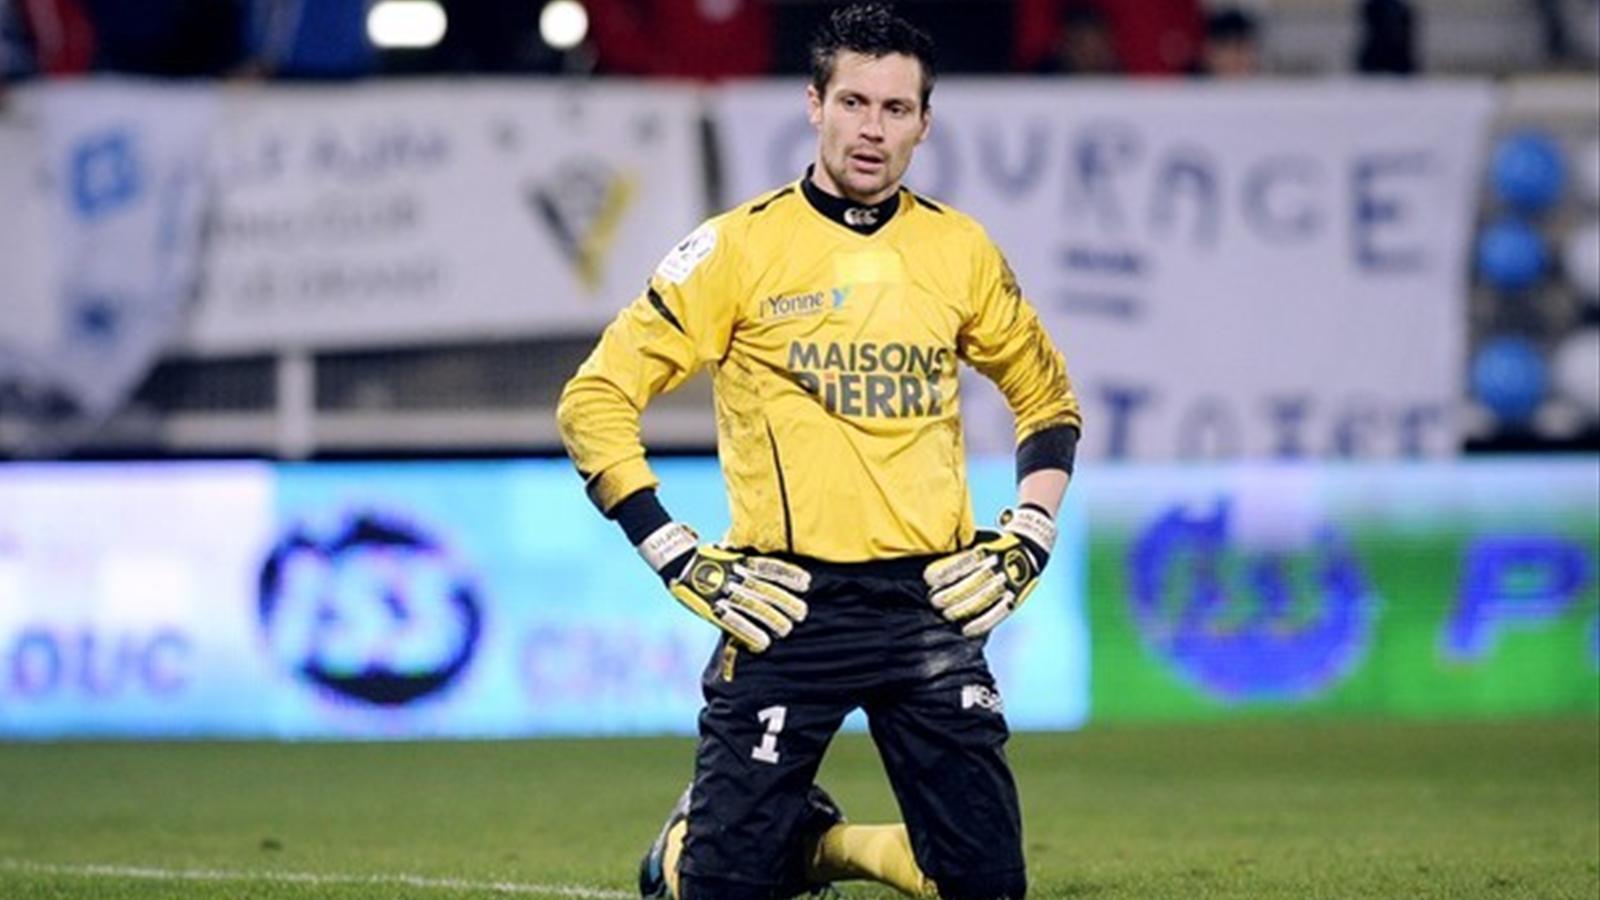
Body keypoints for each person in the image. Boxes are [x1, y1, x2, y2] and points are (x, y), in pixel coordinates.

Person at [557, 4, 1082, 899]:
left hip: (930, 604)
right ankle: (700, 847)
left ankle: (819, 845)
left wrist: (1031, 531)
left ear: (924, 123)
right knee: (719, 889)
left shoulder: (958, 250)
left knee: (988, 888)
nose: (871, 129)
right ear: (814, 105)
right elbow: (594, 401)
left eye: (895, 108)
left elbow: (1047, 397)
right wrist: (673, 550)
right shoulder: (738, 248)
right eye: (853, 103)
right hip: (785, 603)